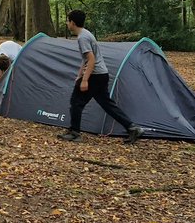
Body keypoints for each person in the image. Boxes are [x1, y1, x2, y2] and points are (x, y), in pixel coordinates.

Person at [59, 9, 143, 143]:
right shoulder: (86, 34)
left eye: (67, 21)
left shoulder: (82, 38)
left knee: (76, 102)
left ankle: (75, 133)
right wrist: (79, 75)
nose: (66, 23)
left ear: (72, 23)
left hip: (95, 75)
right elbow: (86, 58)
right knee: (107, 104)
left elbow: (91, 59)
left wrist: (85, 80)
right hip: (101, 74)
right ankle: (132, 127)